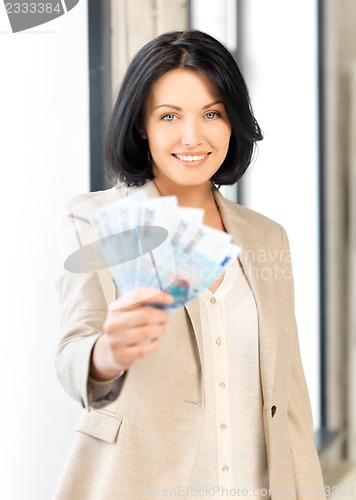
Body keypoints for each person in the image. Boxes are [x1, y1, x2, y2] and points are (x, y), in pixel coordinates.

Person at [54, 30, 325, 500]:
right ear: (142, 126)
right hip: (137, 483)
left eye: (212, 113)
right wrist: (108, 354)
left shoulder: (267, 237)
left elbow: (291, 397)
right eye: (169, 116)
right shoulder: (98, 221)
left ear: (232, 121)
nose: (192, 136)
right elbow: (73, 353)